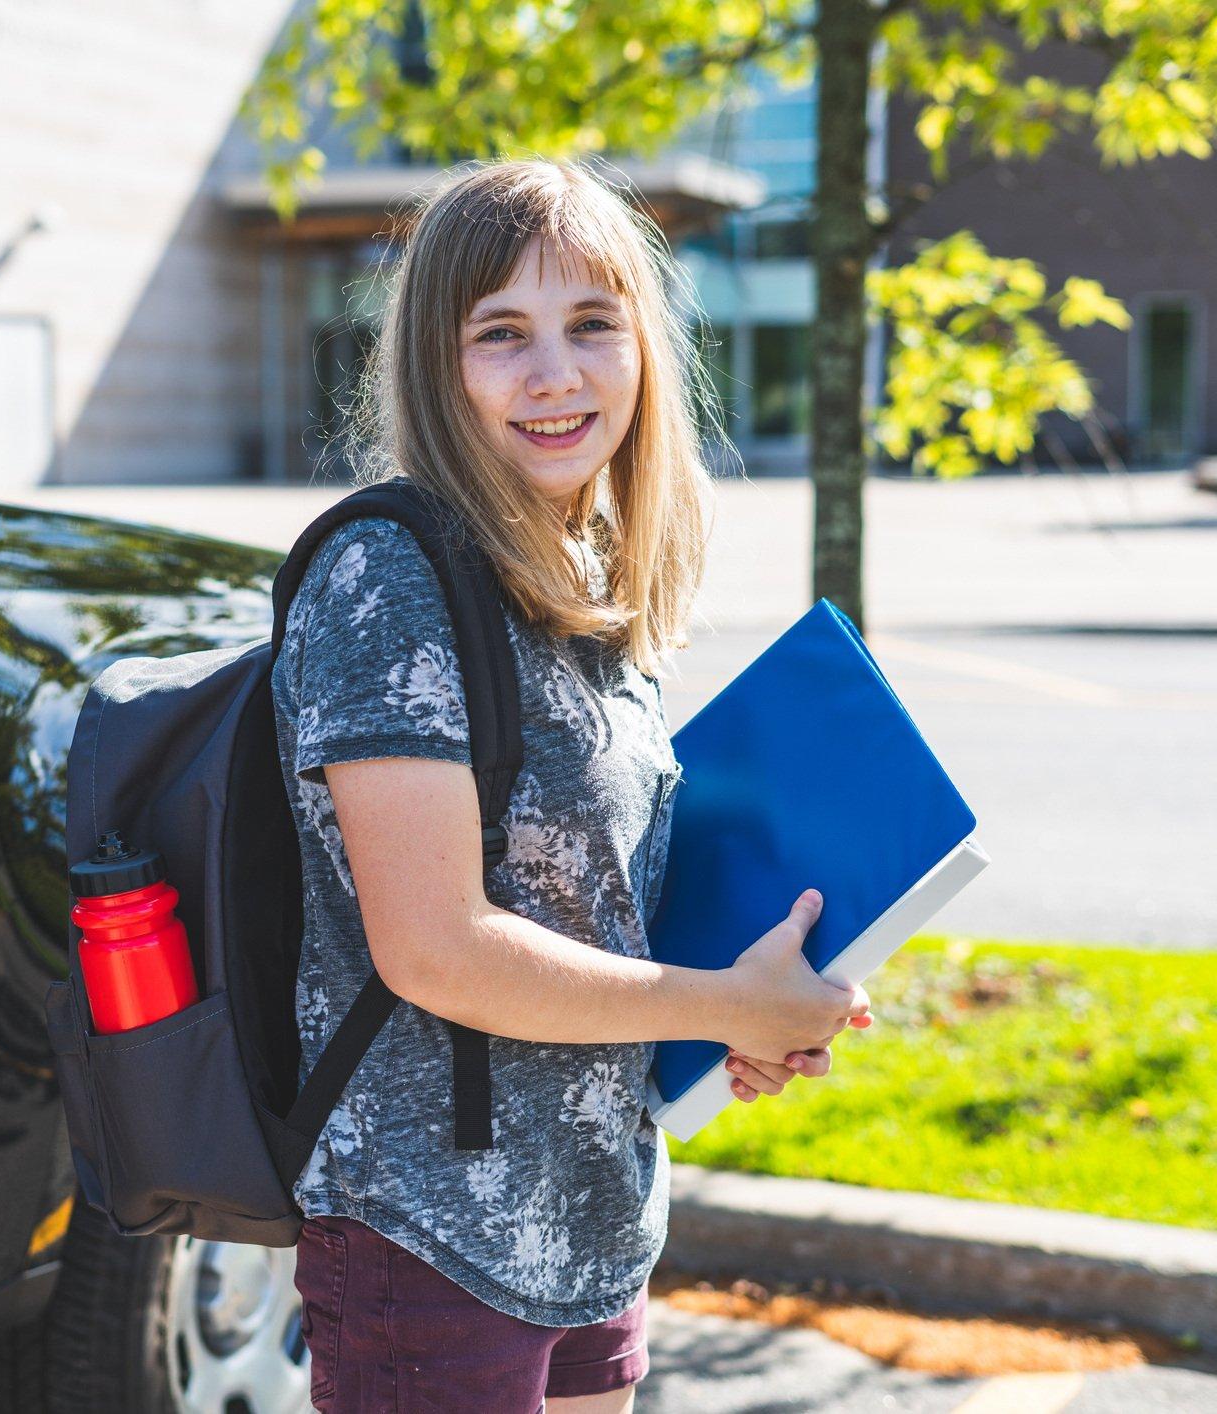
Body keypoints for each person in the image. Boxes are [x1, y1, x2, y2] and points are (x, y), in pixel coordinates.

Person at [271, 158, 873, 1414]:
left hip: (592, 1217)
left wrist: (731, 1016)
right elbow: (435, 947)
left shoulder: (581, 573)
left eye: (592, 323)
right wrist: (716, 998)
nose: (556, 373)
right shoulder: (388, 579)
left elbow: (592, 906)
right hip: (428, 1232)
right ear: (438, 367)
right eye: (501, 335)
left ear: (643, 347)